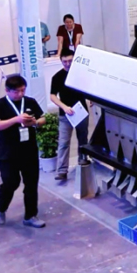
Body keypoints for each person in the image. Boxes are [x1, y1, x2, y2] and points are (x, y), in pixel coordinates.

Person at [0, 74, 46, 228]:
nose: (20, 94)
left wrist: (35, 122)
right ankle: (0, 207)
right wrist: (17, 119)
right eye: (16, 91)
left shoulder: (30, 102)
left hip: (29, 151)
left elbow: (43, 118)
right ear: (7, 91)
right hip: (8, 153)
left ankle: (30, 215)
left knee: (31, 184)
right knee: (11, 182)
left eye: (23, 90)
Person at [50, 50, 90, 181]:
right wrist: (64, 107)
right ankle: (62, 170)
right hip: (65, 114)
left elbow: (89, 89)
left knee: (82, 138)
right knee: (63, 142)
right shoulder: (57, 77)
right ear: (61, 61)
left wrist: (92, 100)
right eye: (65, 61)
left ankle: (82, 160)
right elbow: (52, 96)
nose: (67, 64)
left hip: (81, 112)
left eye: (70, 61)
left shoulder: (81, 75)